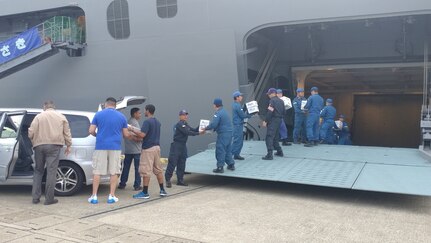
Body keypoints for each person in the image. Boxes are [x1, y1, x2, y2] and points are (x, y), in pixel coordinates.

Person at [88, 97, 133, 204]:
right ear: (115, 105)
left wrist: (98, 135)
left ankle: (94, 196)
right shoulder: (122, 116)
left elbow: (91, 131)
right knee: (114, 172)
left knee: (97, 171)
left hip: (100, 146)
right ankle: (111, 196)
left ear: (105, 104)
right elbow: (126, 134)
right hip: (115, 147)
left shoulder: (98, 114)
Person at [28, 100, 72, 205]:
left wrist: (34, 141)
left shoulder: (38, 117)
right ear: (54, 107)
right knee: (51, 172)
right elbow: (67, 132)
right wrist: (68, 144)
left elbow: (30, 133)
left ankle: (35, 198)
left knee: (38, 171)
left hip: (39, 146)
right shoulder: (61, 116)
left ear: (44, 107)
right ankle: (49, 199)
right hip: (54, 146)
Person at [130, 104, 167, 199]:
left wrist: (131, 129)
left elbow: (142, 135)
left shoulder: (147, 122)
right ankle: (162, 190)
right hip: (157, 148)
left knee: (145, 170)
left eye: (145, 110)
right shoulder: (158, 122)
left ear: (148, 111)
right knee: (158, 170)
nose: (143, 112)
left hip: (148, 149)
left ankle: (145, 192)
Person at [165, 109, 201, 187]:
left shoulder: (186, 124)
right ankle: (168, 180)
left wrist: (201, 126)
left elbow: (193, 130)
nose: (185, 116)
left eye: (186, 115)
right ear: (180, 116)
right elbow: (187, 132)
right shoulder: (179, 124)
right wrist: (199, 133)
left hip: (183, 146)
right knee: (172, 163)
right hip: (176, 146)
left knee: (182, 163)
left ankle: (180, 180)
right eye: (183, 115)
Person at [201, 98, 235, 173]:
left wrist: (205, 128)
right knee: (228, 150)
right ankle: (231, 164)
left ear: (215, 105)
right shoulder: (225, 112)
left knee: (220, 150)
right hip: (229, 133)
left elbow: (214, 124)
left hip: (223, 134)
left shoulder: (218, 113)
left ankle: (220, 167)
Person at [118, 107, 143, 191]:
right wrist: (140, 138)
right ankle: (137, 185)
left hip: (128, 149)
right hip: (136, 150)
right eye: (139, 113)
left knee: (126, 167)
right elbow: (139, 134)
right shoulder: (134, 123)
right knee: (137, 168)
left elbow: (126, 134)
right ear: (134, 114)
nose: (140, 115)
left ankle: (122, 184)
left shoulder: (128, 122)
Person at [262, 88, 285, 160]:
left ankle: (269, 154)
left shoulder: (272, 101)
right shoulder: (281, 101)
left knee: (269, 137)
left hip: (273, 120)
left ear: (273, 93)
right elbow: (284, 112)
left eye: (269, 94)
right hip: (279, 120)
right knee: (276, 137)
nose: (268, 95)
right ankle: (279, 151)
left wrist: (265, 121)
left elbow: (270, 112)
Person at [231, 91, 252, 160]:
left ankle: (236, 155)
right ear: (237, 97)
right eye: (240, 96)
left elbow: (240, 112)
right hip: (238, 126)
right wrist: (250, 114)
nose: (241, 97)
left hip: (238, 125)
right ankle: (229, 155)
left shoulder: (236, 105)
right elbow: (242, 115)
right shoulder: (237, 105)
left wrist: (244, 109)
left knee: (239, 141)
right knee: (237, 141)